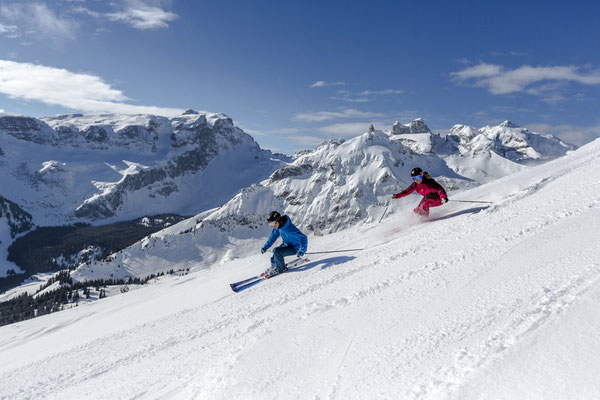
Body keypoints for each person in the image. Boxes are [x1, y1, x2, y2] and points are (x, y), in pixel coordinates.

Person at [260, 211, 308, 277]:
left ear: (278, 220)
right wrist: (265, 247)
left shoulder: (289, 228)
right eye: (270, 224)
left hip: (295, 247)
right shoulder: (278, 227)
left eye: (273, 223)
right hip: (286, 245)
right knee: (274, 256)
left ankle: (280, 269)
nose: (272, 226)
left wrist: (302, 250)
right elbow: (272, 238)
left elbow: (303, 238)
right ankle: (274, 267)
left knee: (277, 251)